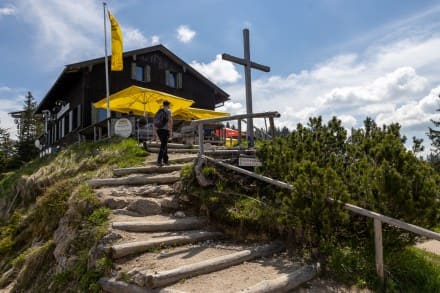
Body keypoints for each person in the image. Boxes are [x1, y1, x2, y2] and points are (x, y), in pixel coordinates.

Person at [153, 100, 173, 166]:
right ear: (168, 105)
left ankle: (165, 160)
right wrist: (170, 131)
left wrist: (155, 132)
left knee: (164, 145)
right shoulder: (168, 111)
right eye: (170, 105)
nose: (170, 106)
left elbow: (155, 122)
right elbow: (170, 121)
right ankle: (159, 161)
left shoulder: (159, 111)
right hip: (165, 130)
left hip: (159, 130)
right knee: (163, 146)